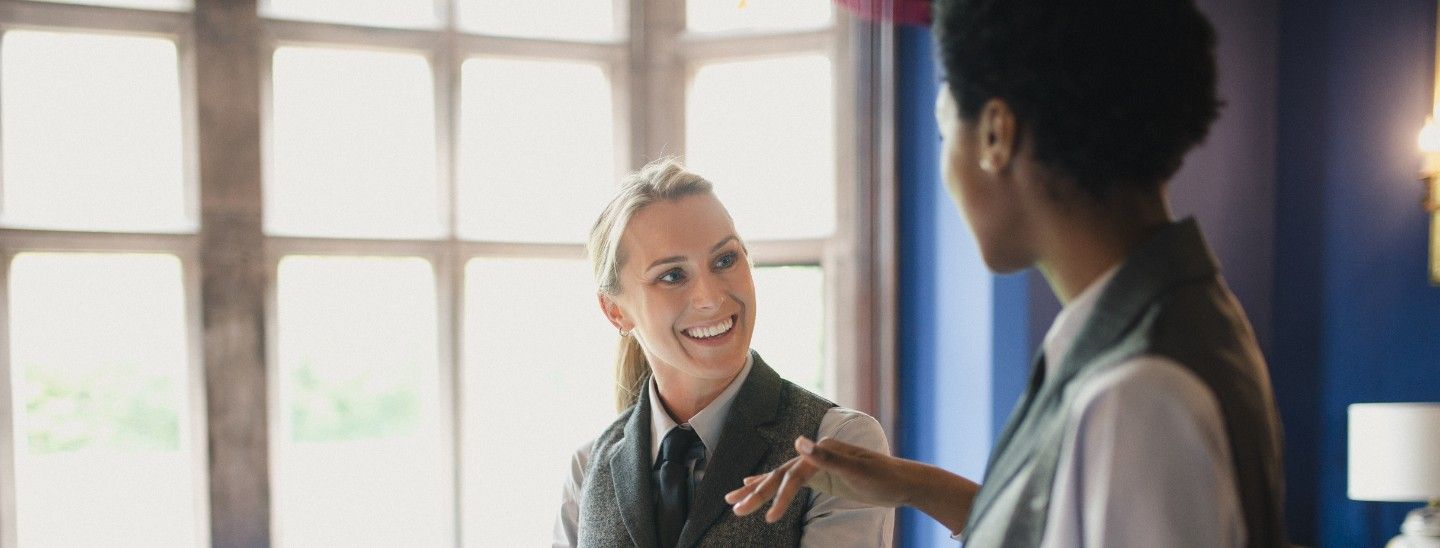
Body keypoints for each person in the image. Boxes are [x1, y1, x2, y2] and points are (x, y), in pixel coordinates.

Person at [725, 0, 1288, 546]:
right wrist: (911, 485)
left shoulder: (1139, 396)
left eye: (945, 131)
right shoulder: (1165, 320)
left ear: (997, 135)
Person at [552, 159, 894, 547]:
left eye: (725, 260)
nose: (711, 298)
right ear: (615, 310)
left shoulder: (840, 444)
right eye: (672, 275)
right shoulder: (586, 471)